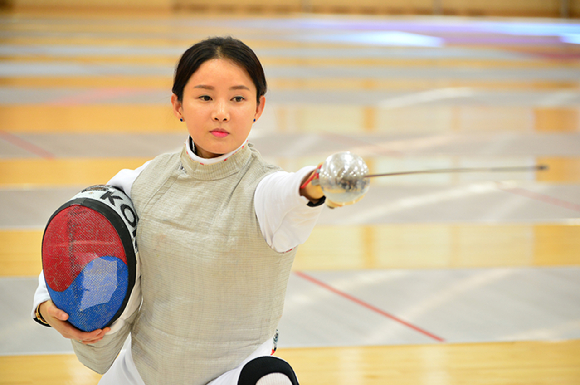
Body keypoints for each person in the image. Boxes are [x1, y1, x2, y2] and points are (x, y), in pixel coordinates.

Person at [31, 36, 348, 385]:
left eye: (238, 98)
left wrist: (318, 181)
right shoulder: (144, 181)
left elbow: (291, 192)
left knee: (270, 381)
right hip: (143, 373)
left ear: (258, 107)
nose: (221, 112)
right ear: (178, 104)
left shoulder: (263, 189)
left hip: (234, 375)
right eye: (205, 97)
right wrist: (48, 305)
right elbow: (86, 231)